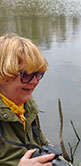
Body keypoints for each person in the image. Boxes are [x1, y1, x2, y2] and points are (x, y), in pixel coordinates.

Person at [0, 34, 70, 166]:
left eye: (38, 74)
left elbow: (42, 145)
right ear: (3, 75)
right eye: (26, 75)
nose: (35, 81)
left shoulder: (26, 107)